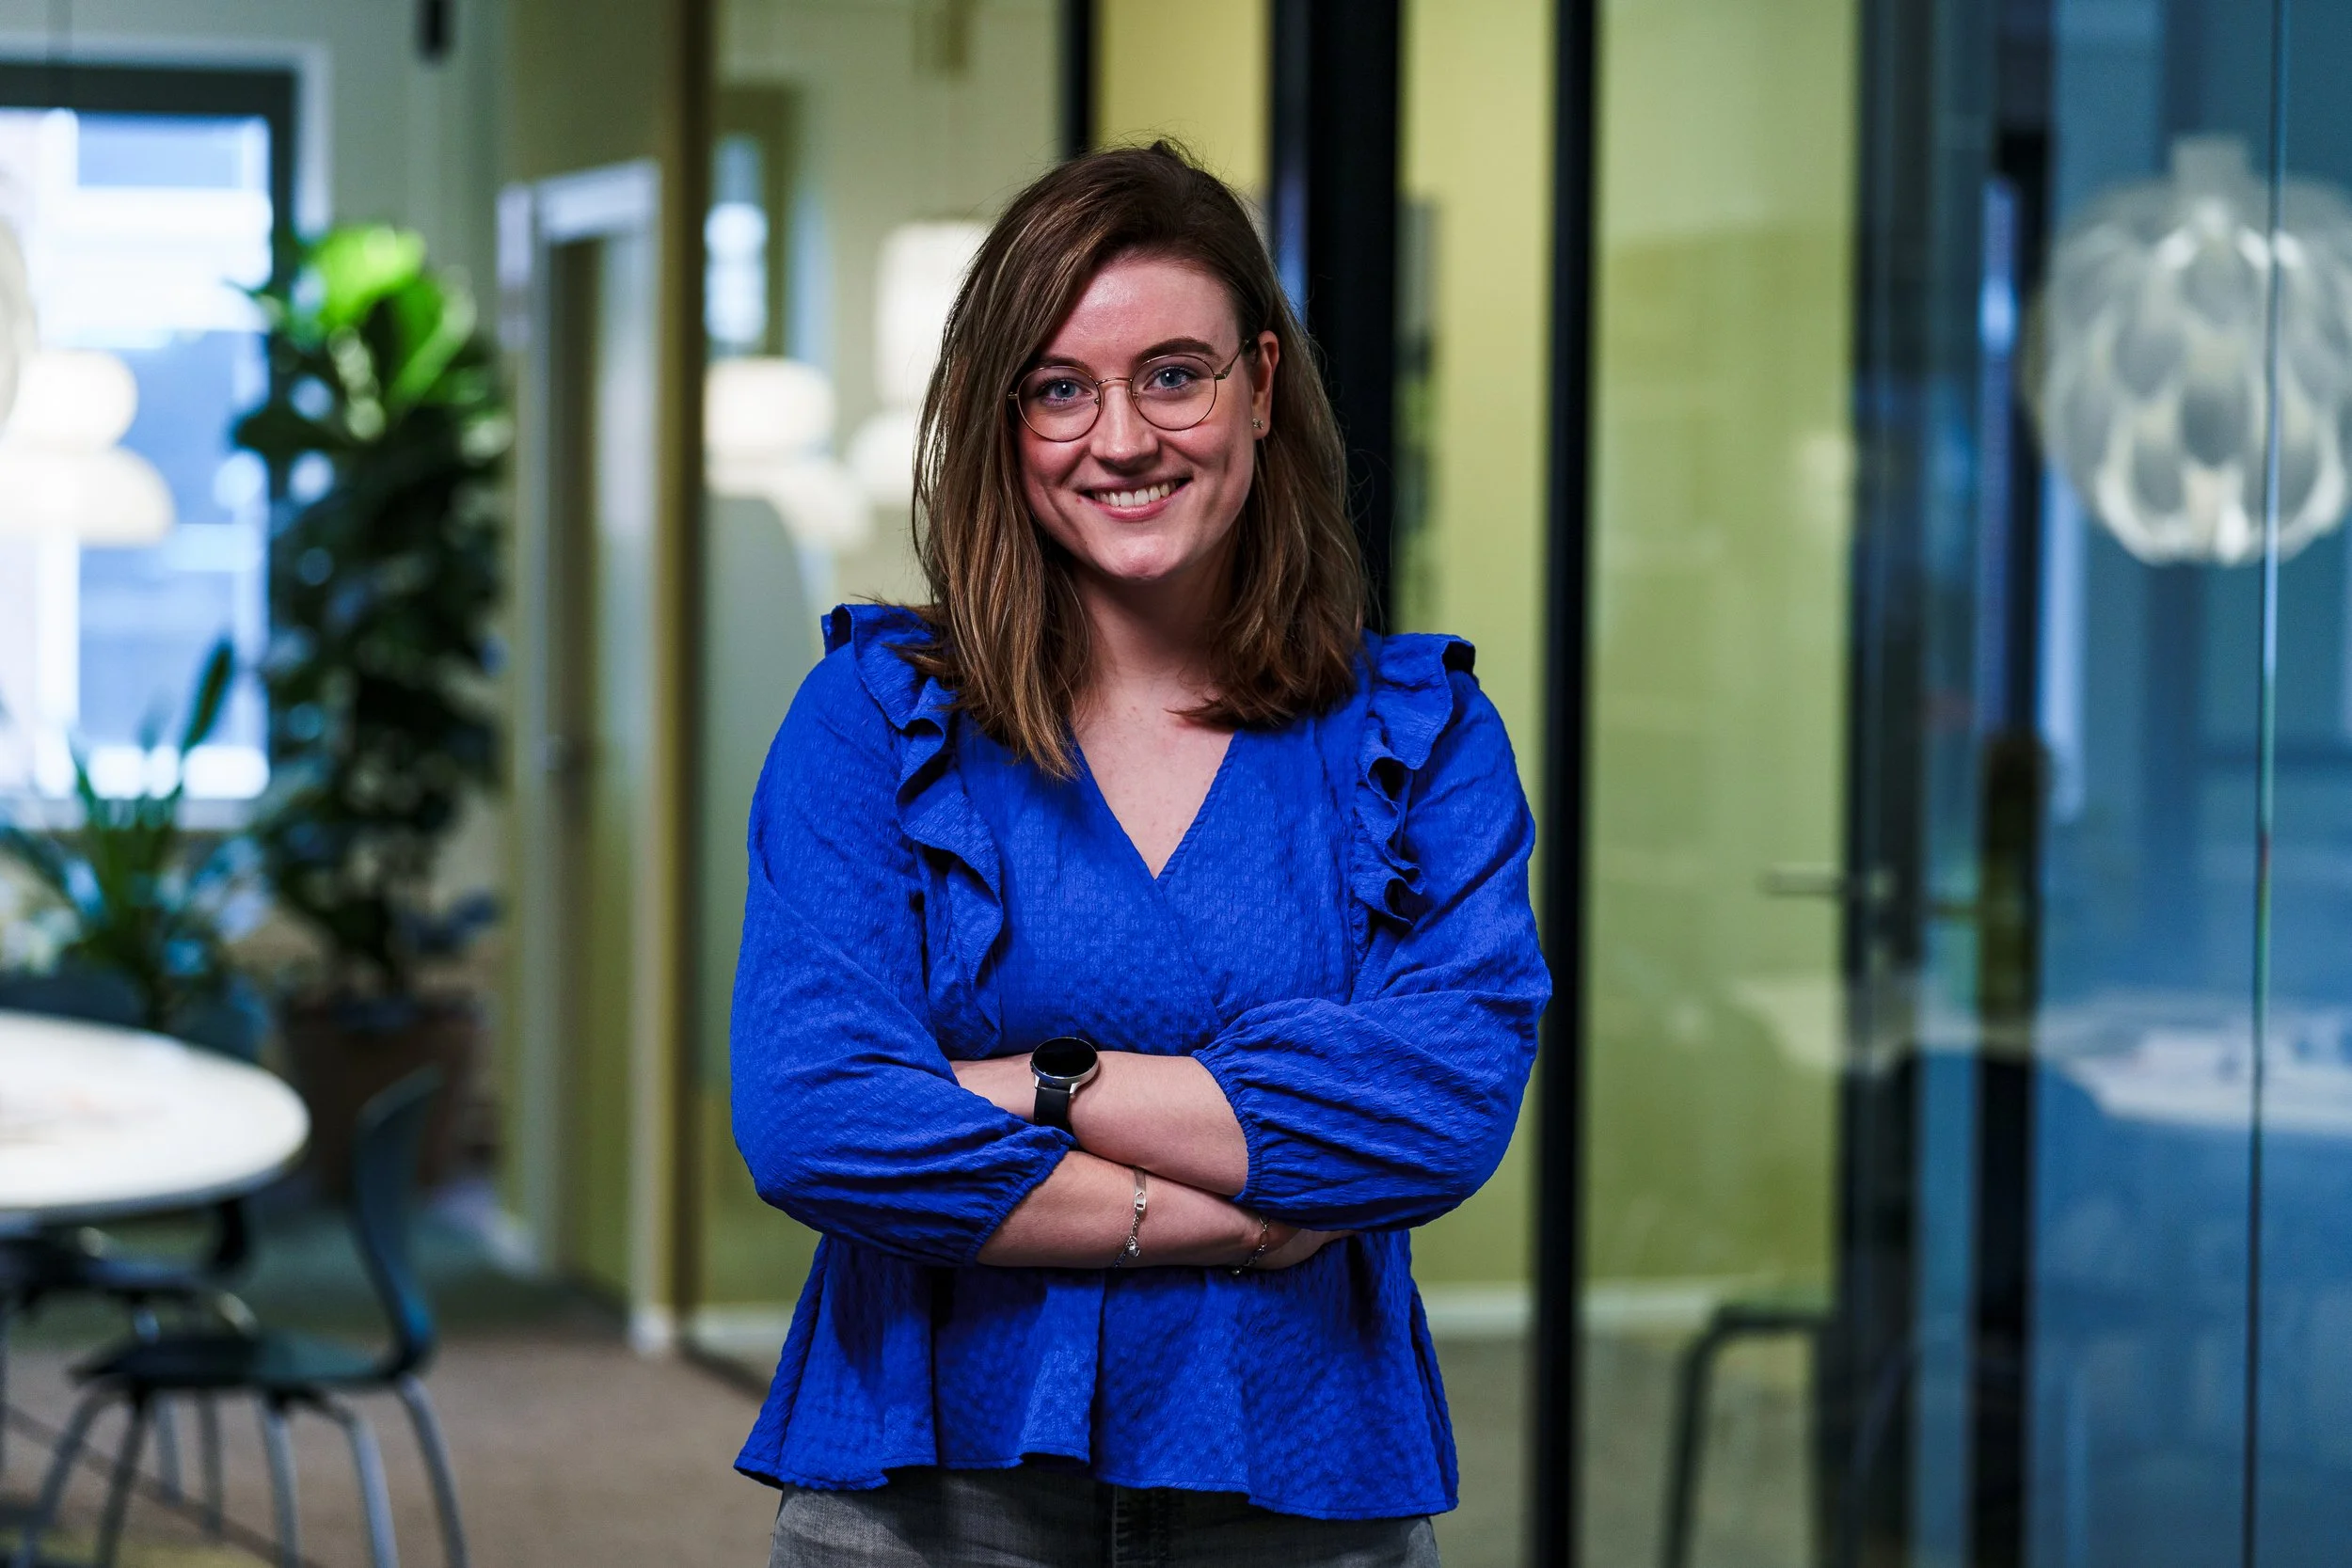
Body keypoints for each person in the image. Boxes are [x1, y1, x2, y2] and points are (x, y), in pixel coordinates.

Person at [730, 141, 1549, 1568]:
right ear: (1003, 420)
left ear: (1263, 384)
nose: (1120, 437)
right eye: (1061, 387)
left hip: (1299, 1475)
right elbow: (818, 1117)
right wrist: (1236, 1209)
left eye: (1174, 373)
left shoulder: (1422, 737)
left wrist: (1053, 1080)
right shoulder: (872, 717)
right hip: (928, 1483)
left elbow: (1435, 1110)